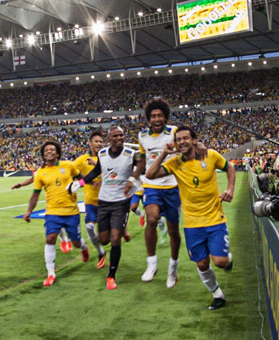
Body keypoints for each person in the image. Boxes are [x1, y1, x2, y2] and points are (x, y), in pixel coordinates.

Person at [145, 126, 235, 310]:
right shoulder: (175, 162)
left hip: (214, 219)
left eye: (186, 138)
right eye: (179, 139)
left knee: (220, 262)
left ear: (194, 140)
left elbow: (230, 167)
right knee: (202, 264)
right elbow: (150, 175)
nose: (182, 141)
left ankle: (227, 258)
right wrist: (163, 154)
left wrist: (230, 189)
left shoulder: (210, 155)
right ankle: (217, 294)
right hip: (192, 224)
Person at [24, 140, 89, 287]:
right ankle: (51, 274)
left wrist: (79, 185)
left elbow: (83, 179)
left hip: (71, 211)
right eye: (46, 150)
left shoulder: (69, 166)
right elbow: (35, 194)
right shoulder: (40, 173)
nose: (49, 151)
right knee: (50, 238)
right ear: (43, 154)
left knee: (76, 242)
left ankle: (84, 248)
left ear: (57, 153)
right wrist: (29, 211)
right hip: (52, 212)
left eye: (52, 149)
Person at [83, 126, 139, 289]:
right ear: (109, 138)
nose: (119, 138)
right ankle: (120, 229)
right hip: (104, 201)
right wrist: (78, 183)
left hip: (121, 202)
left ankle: (111, 276)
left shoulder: (130, 154)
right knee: (104, 239)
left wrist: (133, 181)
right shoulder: (102, 154)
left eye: (121, 135)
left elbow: (142, 164)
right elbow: (95, 172)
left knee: (115, 239)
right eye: (115, 135)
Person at [136, 98, 183, 288]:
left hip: (171, 186)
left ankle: (173, 267)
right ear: (148, 118)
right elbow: (142, 160)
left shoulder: (174, 132)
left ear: (165, 117)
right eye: (153, 116)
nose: (157, 118)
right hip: (152, 185)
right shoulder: (141, 136)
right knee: (152, 219)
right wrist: (134, 181)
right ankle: (152, 264)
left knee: (173, 230)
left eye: (160, 115)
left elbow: (186, 148)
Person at [74, 129, 108, 268]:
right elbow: (72, 170)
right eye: (96, 141)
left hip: (107, 201)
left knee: (107, 235)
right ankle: (101, 252)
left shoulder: (107, 157)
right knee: (89, 227)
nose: (99, 144)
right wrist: (83, 182)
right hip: (91, 201)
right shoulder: (82, 159)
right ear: (90, 143)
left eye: (101, 141)